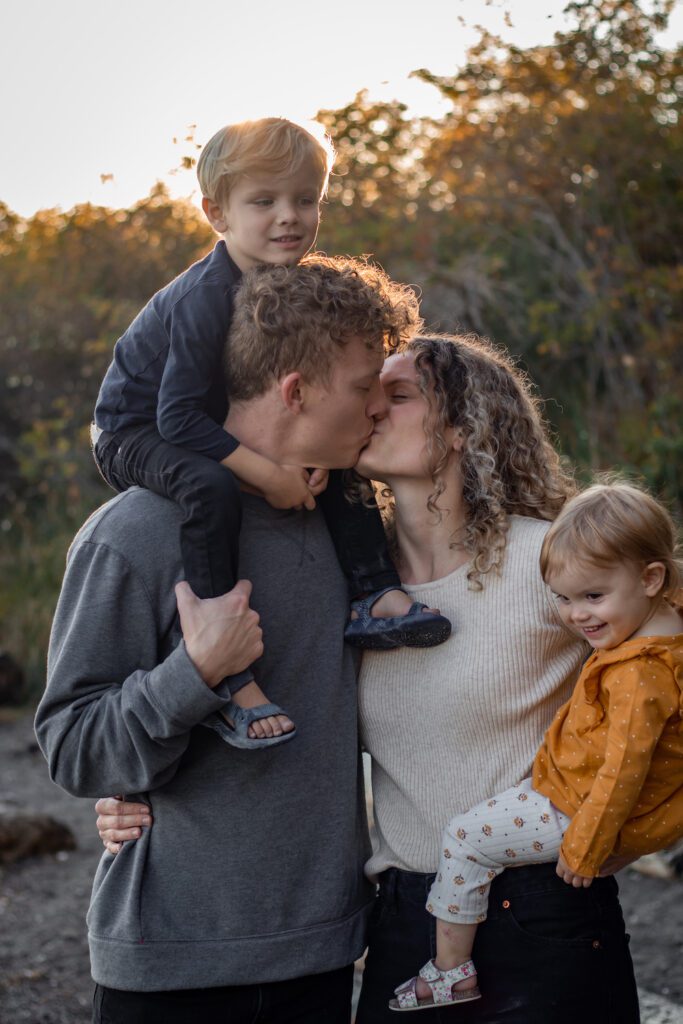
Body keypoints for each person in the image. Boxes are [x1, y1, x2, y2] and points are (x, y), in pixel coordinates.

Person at [95, 333, 643, 1022]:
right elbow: (293, 733)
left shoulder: (551, 562)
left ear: (461, 428)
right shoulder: (345, 583)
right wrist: (140, 797)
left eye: (399, 394)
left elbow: (662, 680)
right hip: (404, 918)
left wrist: (628, 829)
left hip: (542, 910)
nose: (371, 410)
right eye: (365, 392)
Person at [35, 256, 421, 1024]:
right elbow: (72, 746)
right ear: (294, 390)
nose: (378, 406)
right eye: (362, 385)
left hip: (322, 952)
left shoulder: (357, 537)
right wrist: (195, 672)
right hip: (172, 963)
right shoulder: (135, 534)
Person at [91, 118, 449, 749]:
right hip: (135, 429)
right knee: (209, 489)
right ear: (216, 212)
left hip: (198, 422)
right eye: (264, 202)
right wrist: (268, 473)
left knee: (343, 457)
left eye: (305, 200)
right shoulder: (206, 296)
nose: (290, 218)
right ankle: (233, 678)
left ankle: (374, 592)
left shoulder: (289, 279)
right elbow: (175, 418)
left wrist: (301, 450)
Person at [388, 482, 683, 1012]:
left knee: (463, 839)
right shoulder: (655, 632)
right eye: (564, 599)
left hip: (577, 812)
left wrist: (586, 848)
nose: (577, 616)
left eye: (593, 596)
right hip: (568, 793)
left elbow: (623, 770)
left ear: (652, 578)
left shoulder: (642, 674)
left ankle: (450, 973)